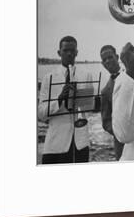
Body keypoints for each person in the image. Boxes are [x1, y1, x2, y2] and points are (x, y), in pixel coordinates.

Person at [38, 36, 93, 164]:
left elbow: (88, 109)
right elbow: (41, 114)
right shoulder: (48, 78)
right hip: (56, 143)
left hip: (80, 142)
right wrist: (59, 100)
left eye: (72, 50)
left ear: (77, 53)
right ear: (59, 53)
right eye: (65, 50)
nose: (69, 54)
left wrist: (84, 102)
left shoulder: (87, 75)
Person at [99, 45, 124, 160]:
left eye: (110, 57)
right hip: (122, 143)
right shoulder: (105, 91)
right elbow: (106, 121)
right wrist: (120, 131)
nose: (108, 61)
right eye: (104, 60)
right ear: (102, 64)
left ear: (117, 57)